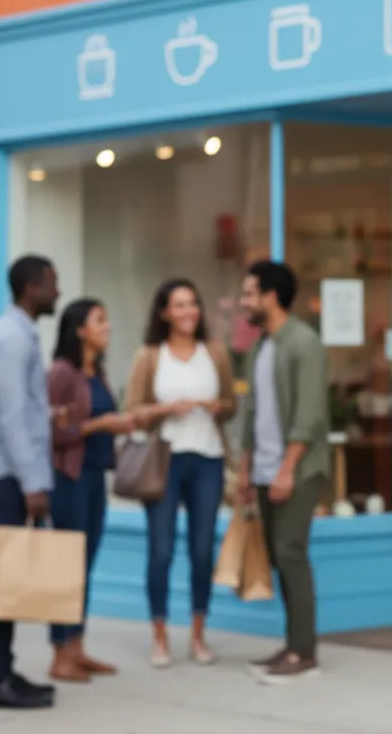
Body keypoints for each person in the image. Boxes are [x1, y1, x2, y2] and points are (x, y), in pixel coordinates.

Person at [125, 279, 237, 667]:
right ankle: (159, 636)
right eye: (179, 305)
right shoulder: (150, 355)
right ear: (164, 313)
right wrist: (165, 409)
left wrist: (214, 405)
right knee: (161, 550)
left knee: (203, 550)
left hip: (207, 458)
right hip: (164, 461)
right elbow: (132, 411)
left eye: (193, 303)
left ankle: (198, 635)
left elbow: (231, 405)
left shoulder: (215, 352)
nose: (189, 311)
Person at [0, 255, 61, 709]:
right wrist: (33, 483)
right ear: (32, 288)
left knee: (9, 576)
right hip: (7, 473)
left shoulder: (20, 334)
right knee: (5, 578)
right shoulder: (11, 339)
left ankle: (2, 670)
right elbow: (9, 418)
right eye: (52, 283)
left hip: (13, 471)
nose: (57, 292)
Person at [235, 260, 330, 684]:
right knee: (278, 555)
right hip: (264, 471)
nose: (244, 302)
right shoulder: (261, 346)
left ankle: (304, 651)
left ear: (271, 296)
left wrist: (286, 469)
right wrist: (245, 469)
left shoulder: (303, 342)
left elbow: (308, 415)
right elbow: (252, 414)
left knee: (290, 553)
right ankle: (293, 644)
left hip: (296, 470)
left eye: (249, 293)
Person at [46, 299, 135, 682]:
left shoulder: (96, 373)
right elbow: (51, 431)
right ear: (80, 329)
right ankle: (59, 653)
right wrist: (100, 425)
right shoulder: (61, 374)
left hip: (95, 476)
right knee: (66, 564)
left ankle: (77, 648)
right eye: (101, 320)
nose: (108, 327)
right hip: (69, 478)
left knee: (85, 564)